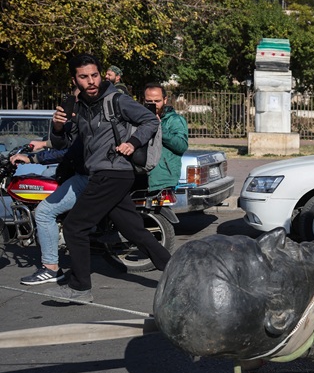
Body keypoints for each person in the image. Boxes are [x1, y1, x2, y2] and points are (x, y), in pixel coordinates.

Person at [48, 53, 171, 303]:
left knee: (74, 226)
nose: (91, 81)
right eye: (84, 77)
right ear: (75, 79)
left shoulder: (117, 100)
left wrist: (132, 142)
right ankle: (179, 271)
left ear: (101, 75)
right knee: (134, 230)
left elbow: (150, 121)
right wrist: (58, 127)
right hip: (105, 173)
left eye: (94, 75)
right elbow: (67, 144)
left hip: (113, 172)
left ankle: (80, 287)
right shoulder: (79, 108)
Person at [11, 137, 88, 286]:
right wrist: (44, 143)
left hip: (86, 175)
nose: (59, 114)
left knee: (44, 213)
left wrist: (32, 158)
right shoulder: (83, 117)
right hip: (81, 171)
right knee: (48, 175)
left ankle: (51, 268)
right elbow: (71, 140)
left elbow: (71, 149)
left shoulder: (84, 115)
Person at [142, 83, 188, 192]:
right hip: (141, 175)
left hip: (163, 178)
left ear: (165, 100)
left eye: (157, 101)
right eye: (149, 102)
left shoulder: (175, 120)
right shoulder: (139, 119)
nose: (154, 105)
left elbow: (181, 145)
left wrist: (159, 126)